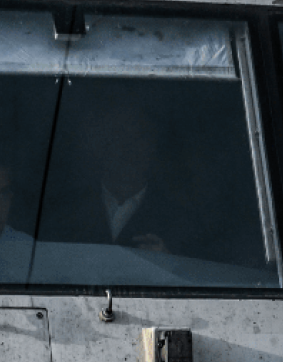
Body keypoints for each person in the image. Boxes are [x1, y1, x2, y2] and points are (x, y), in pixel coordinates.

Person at [40, 103, 186, 252]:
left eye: (139, 137)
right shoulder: (64, 208)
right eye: (119, 135)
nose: (129, 148)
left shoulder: (177, 219)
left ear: (153, 147)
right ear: (102, 144)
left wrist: (166, 260)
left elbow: (190, 264)